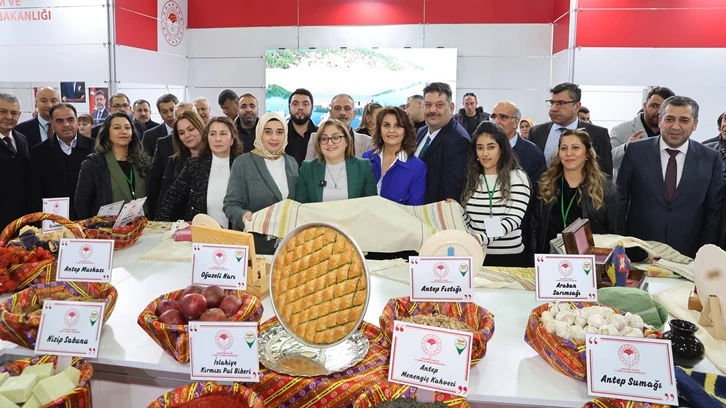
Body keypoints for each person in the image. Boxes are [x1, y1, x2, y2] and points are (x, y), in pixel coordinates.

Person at [617, 96, 724, 258]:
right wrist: (621, 244)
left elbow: (713, 210)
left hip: (688, 253)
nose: (675, 126)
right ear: (660, 120)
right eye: (669, 119)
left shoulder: (711, 158)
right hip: (639, 249)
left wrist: (705, 252)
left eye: (684, 120)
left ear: (695, 124)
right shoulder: (636, 151)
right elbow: (620, 201)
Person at [531, 129, 622, 255]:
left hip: (590, 261)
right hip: (550, 259)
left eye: (575, 148)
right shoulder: (545, 186)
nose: (569, 153)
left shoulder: (605, 189)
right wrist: (534, 260)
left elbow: (615, 235)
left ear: (588, 154)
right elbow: (534, 229)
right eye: (564, 148)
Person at [224, 112, 299, 254]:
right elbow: (230, 205)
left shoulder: (292, 162)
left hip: (288, 248)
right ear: (259, 133)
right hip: (254, 249)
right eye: (268, 132)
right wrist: (243, 216)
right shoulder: (243, 163)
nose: (274, 137)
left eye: (280, 132)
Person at [459, 122, 531, 267]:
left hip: (509, 258)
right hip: (476, 255)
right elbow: (470, 220)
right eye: (480, 148)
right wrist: (455, 210)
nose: (485, 153)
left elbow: (514, 219)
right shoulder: (473, 177)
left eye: (491, 147)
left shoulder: (517, 177)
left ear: (501, 149)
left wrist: (481, 238)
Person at [157, 117, 243, 227]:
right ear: (207, 138)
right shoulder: (194, 166)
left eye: (223, 133)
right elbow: (171, 199)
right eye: (212, 134)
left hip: (235, 233)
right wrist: (162, 228)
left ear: (232, 139)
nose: (217, 139)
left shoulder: (243, 166)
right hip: (200, 232)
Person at [74, 112, 151, 220]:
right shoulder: (93, 164)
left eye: (127, 128)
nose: (123, 131)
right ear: (107, 134)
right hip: (106, 228)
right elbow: (81, 205)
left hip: (143, 225)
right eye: (117, 128)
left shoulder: (143, 161)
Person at [530, 83, 613, 175]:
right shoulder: (536, 132)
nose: (553, 109)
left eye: (561, 103)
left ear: (577, 106)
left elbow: (605, 175)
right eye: (552, 103)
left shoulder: (598, 135)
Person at [29, 103, 95, 220]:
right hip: (54, 219)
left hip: (90, 218)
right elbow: (35, 191)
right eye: (59, 121)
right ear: (52, 124)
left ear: (76, 121)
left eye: (70, 120)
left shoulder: (94, 147)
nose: (66, 125)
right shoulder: (39, 151)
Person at [296, 119, 377, 203]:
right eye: (324, 139)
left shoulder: (363, 167)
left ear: (346, 141)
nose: (330, 143)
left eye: (335, 137)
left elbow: (371, 204)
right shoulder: (307, 168)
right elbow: (300, 205)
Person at [415, 82, 470, 204]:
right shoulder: (421, 132)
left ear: (451, 107)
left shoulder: (459, 140)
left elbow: (451, 191)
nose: (432, 110)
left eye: (439, 105)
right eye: (428, 105)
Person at [362, 106, 426, 205]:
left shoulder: (417, 167)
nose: (391, 130)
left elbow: (414, 207)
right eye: (386, 125)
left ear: (406, 131)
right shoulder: (367, 158)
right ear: (379, 129)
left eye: (398, 125)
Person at [610, 87, 675, 178]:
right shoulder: (621, 130)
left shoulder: (674, 133)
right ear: (645, 106)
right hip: (628, 186)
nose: (659, 112)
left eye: (664, 108)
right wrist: (625, 148)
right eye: (654, 106)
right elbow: (606, 162)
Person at [147, 101, 195, 219]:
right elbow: (156, 183)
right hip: (177, 216)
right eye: (182, 132)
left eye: (189, 116)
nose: (187, 135)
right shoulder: (171, 155)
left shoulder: (213, 147)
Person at [156, 111, 206, 214]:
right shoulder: (174, 161)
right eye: (181, 133)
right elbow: (164, 197)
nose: (187, 135)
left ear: (200, 127)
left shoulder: (215, 159)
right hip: (179, 220)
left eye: (191, 129)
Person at [305, 94, 373, 159]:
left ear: (354, 114)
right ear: (331, 113)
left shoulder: (367, 142)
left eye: (347, 108)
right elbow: (308, 166)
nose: (342, 113)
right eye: (337, 108)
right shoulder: (315, 139)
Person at [0, 93, 30, 229]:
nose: (9, 117)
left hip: (21, 219)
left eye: (14, 113)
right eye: (2, 112)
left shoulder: (22, 139)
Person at [285, 88, 318, 167]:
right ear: (289, 107)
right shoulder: (281, 135)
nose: (300, 107)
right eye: (295, 104)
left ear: (312, 108)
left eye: (305, 104)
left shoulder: (321, 135)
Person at [142, 93, 179, 158]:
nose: (170, 115)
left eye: (172, 110)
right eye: (165, 112)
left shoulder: (189, 131)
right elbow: (146, 161)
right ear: (160, 113)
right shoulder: (150, 136)